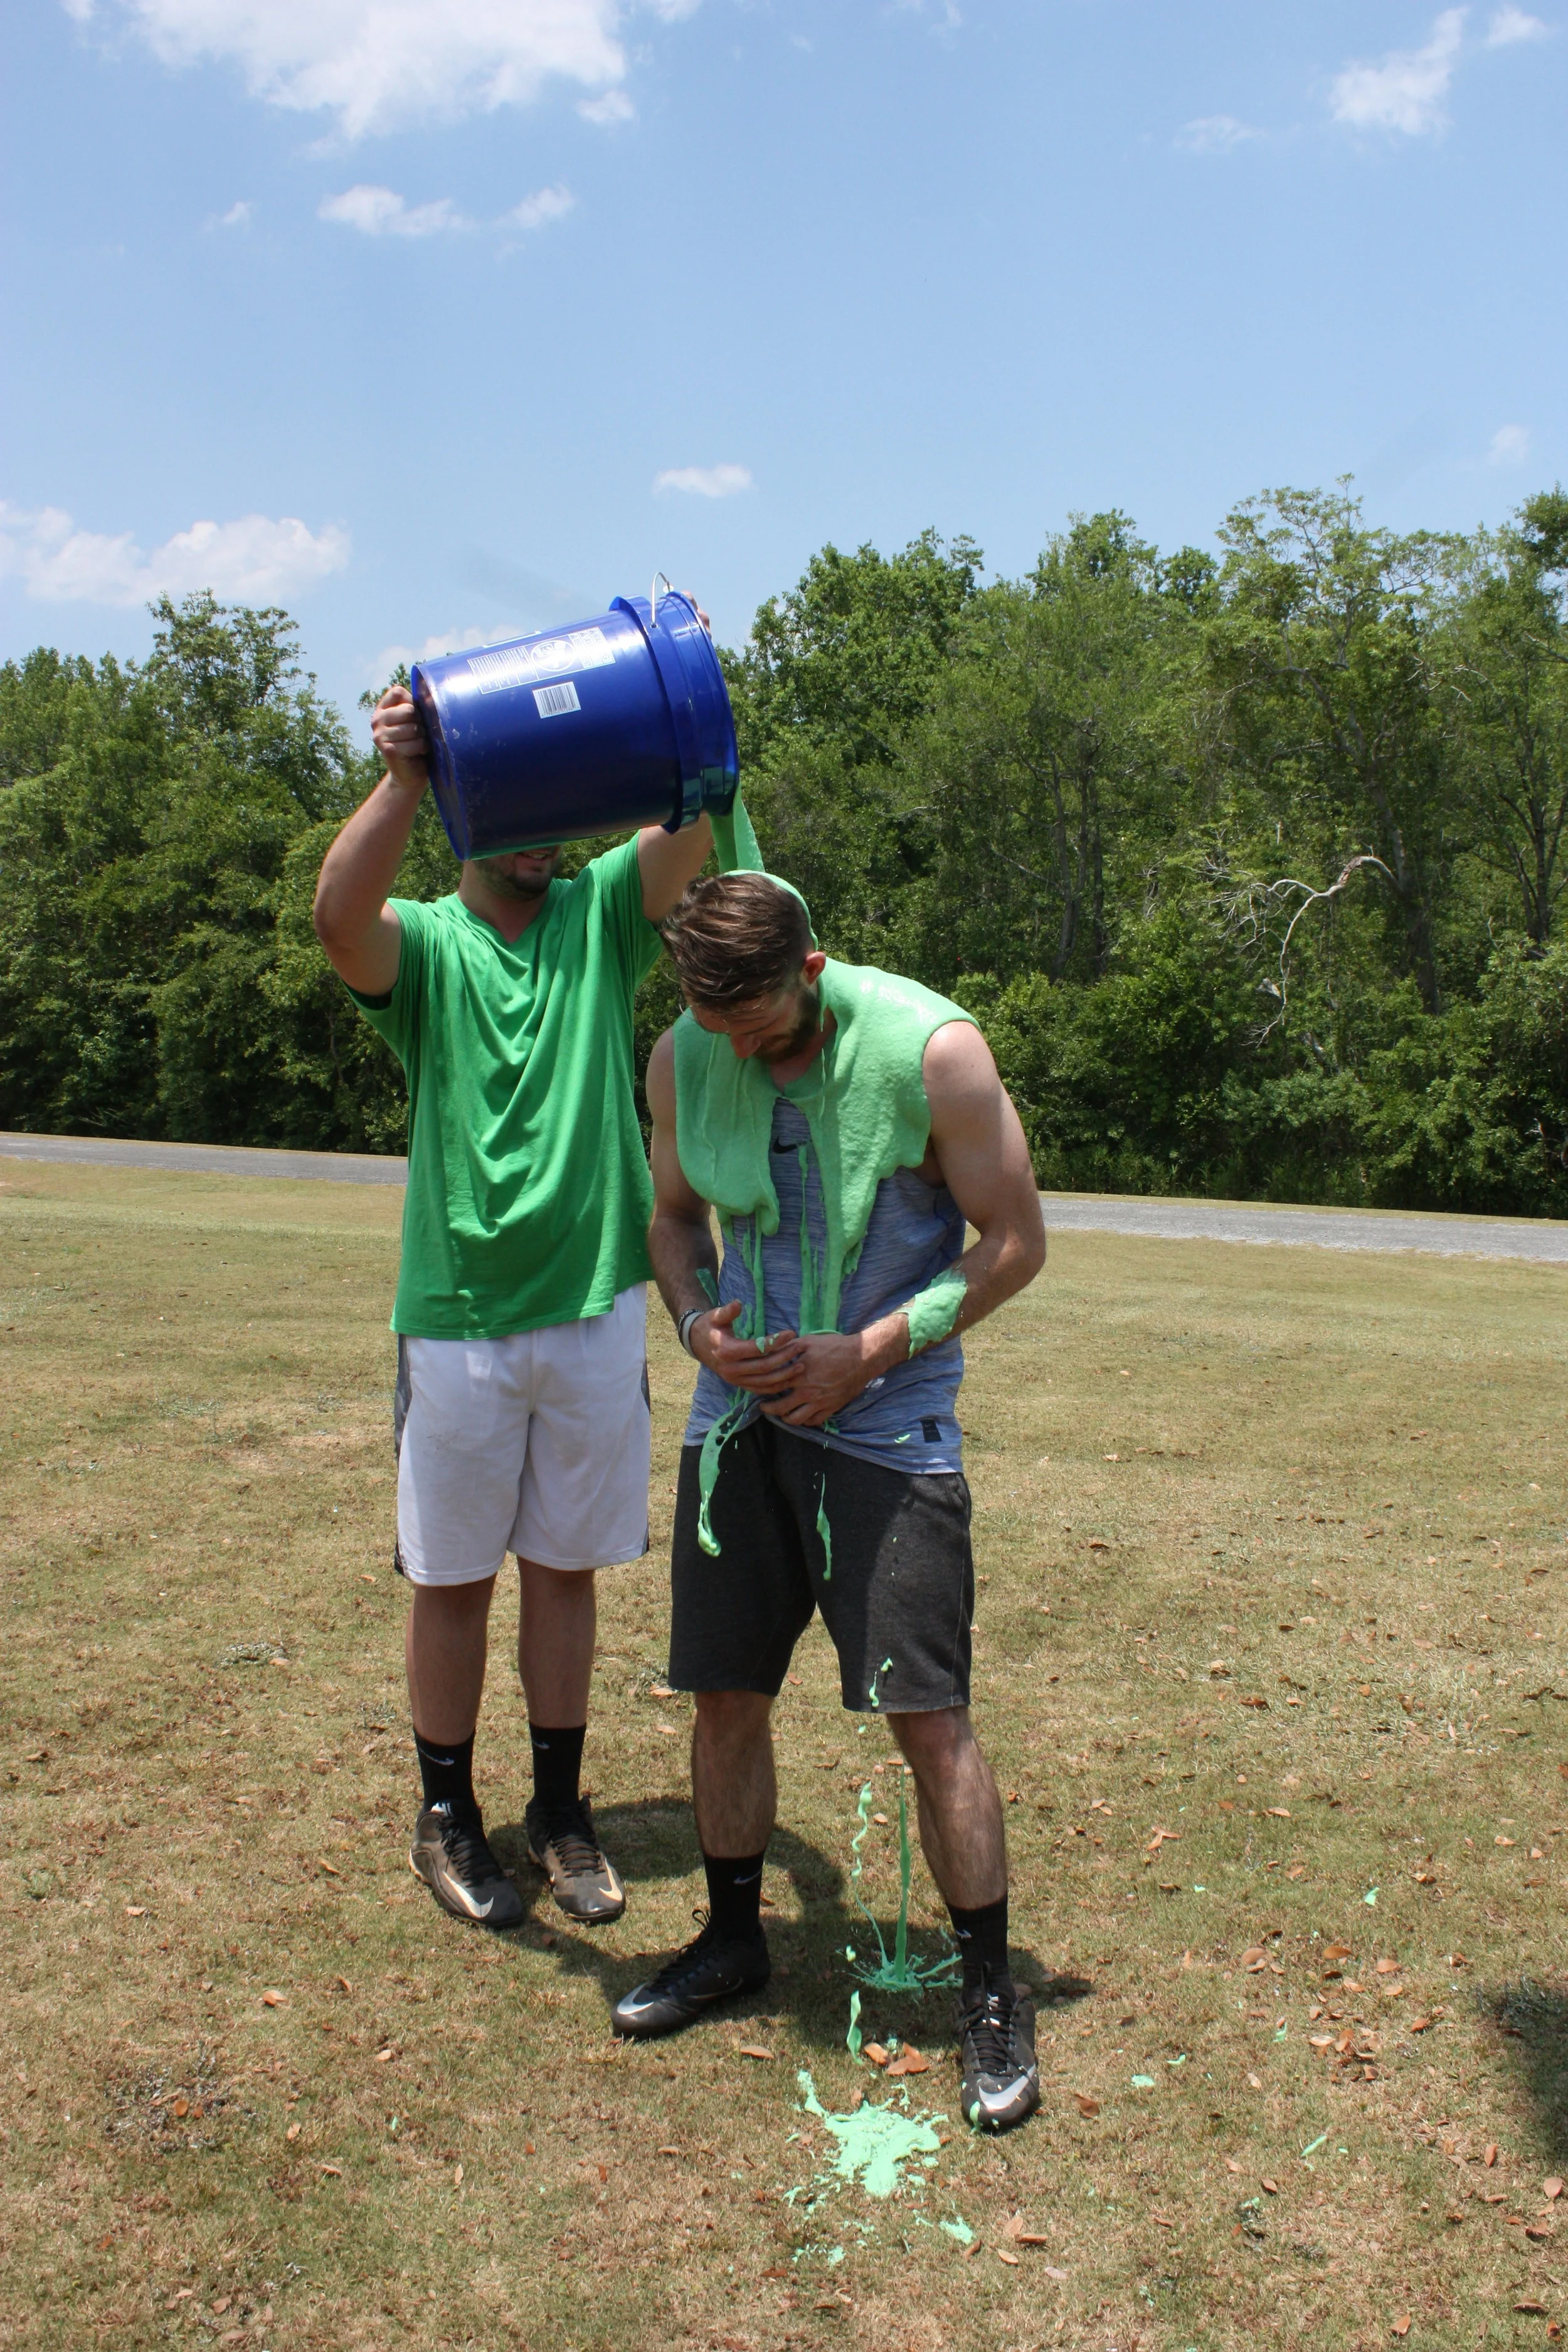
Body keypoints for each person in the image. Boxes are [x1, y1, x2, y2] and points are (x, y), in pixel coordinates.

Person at [612, 853, 1048, 2133]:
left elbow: (1015, 1243)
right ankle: (732, 1936)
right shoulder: (684, 1055)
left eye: (757, 1024)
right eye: (713, 1027)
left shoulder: (931, 1052)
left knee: (927, 1717)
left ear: (809, 970)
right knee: (725, 1696)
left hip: (887, 1429)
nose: (735, 1052)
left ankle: (985, 1997)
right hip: (737, 1419)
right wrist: (694, 1323)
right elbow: (674, 1224)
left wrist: (867, 1348)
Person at [312, 679, 713, 1933]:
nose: (547, 834)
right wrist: (405, 776)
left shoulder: (596, 914)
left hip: (591, 1306)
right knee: (451, 1578)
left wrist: (670, 694)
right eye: (521, 804)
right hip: (459, 1317)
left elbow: (689, 829)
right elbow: (338, 919)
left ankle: (556, 1810)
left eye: (562, 807)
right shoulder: (427, 943)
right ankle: (447, 1814)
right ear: (475, 807)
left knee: (562, 1572)